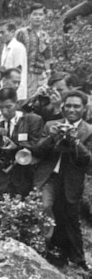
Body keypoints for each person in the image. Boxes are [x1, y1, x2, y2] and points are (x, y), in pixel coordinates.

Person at [32, 90, 92, 268]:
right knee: (44, 208)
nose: (72, 110)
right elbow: (38, 151)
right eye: (69, 106)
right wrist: (52, 137)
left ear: (84, 108)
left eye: (76, 106)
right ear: (63, 107)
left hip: (72, 179)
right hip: (50, 177)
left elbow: (88, 159)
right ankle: (42, 251)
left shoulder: (88, 130)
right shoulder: (51, 124)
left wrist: (75, 142)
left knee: (71, 219)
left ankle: (78, 259)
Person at [0, 87, 42, 197]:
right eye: (1, 107)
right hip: (0, 179)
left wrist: (16, 147)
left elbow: (38, 147)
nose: (4, 111)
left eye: (8, 107)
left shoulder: (32, 120)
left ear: (16, 104)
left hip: (24, 177)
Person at [15, 5, 52, 96]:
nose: (38, 17)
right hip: (25, 73)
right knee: (25, 99)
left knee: (40, 98)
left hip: (40, 75)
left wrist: (48, 73)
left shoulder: (45, 36)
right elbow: (14, 52)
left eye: (40, 14)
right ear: (29, 16)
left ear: (44, 17)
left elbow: (48, 57)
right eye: (35, 14)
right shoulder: (21, 33)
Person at [0, 22, 28, 100]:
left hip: (16, 89)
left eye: (3, 32)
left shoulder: (18, 47)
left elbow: (18, 71)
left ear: (12, 32)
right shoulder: (5, 47)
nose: (0, 36)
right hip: (6, 87)